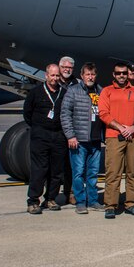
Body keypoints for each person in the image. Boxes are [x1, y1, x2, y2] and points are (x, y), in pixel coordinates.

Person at [98, 62, 134, 219]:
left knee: (133, 171)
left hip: (133, 135)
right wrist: (121, 127)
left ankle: (132, 203)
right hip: (114, 136)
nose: (121, 76)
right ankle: (111, 205)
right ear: (114, 74)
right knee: (113, 172)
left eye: (124, 73)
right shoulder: (107, 91)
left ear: (128, 74)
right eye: (118, 73)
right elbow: (103, 113)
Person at [59, 62, 104, 213]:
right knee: (78, 172)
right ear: (82, 76)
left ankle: (93, 200)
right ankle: (80, 202)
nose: (90, 77)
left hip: (96, 140)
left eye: (92, 74)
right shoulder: (73, 91)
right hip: (79, 140)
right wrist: (70, 135)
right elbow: (65, 114)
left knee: (92, 173)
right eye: (87, 74)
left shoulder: (100, 91)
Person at [23, 64, 67, 214]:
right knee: (39, 169)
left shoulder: (63, 92)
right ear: (46, 76)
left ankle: (50, 198)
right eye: (52, 75)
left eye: (57, 76)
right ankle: (33, 200)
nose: (54, 79)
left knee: (56, 171)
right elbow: (27, 113)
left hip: (58, 135)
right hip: (41, 136)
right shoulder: (35, 93)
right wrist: (38, 128)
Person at [57, 55, 76, 204]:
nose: (67, 70)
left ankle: (70, 193)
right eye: (64, 67)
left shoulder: (77, 84)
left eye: (69, 67)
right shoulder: (53, 83)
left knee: (71, 166)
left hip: (72, 132)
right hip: (56, 131)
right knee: (55, 165)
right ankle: (51, 196)